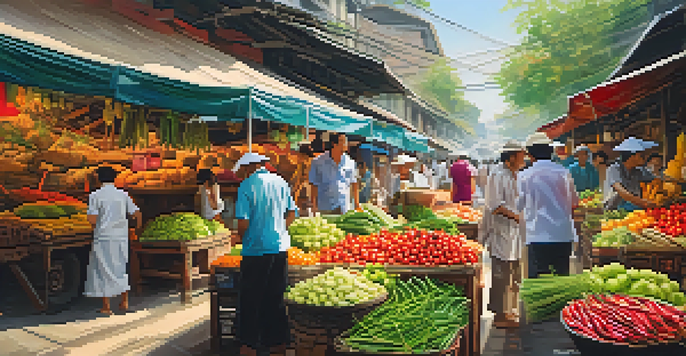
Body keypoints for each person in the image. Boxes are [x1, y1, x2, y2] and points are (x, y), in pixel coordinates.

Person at [233, 152, 297, 356]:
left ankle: (249, 346)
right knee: (275, 298)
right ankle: (277, 346)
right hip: (279, 249)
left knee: (250, 301)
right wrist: (279, 229)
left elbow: (242, 223)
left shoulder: (246, 186)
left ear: (248, 167)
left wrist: (244, 237)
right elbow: (292, 213)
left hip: (255, 251)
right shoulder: (281, 182)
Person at [517, 132, 579, 279]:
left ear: (530, 155)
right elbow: (574, 203)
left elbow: (519, 205)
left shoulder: (524, 176)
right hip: (562, 235)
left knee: (538, 283)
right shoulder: (564, 173)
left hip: (537, 235)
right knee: (560, 280)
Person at [85, 166, 142, 314]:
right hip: (121, 237)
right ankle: (124, 302)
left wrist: (92, 223)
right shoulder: (123, 195)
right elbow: (137, 213)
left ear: (98, 178)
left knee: (104, 270)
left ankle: (106, 307)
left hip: (103, 237)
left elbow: (92, 219)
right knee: (120, 267)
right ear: (114, 178)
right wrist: (136, 230)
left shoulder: (95, 196)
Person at [483, 140, 526, 328]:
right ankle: (500, 314)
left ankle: (510, 309)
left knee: (513, 271)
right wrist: (516, 217)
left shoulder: (514, 174)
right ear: (511, 157)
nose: (523, 159)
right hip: (501, 230)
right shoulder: (497, 174)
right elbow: (494, 205)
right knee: (501, 272)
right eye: (520, 155)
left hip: (514, 232)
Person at [604, 137, 662, 211]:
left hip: (633, 209)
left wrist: (677, 180)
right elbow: (621, 191)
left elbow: (657, 178)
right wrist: (644, 203)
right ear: (633, 156)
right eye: (641, 155)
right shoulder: (614, 169)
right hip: (614, 211)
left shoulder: (638, 171)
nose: (644, 158)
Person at [309, 133, 360, 214]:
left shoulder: (350, 163)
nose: (345, 144)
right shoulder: (318, 162)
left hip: (344, 208)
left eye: (345, 142)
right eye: (342, 141)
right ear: (334, 143)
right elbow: (314, 185)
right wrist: (313, 206)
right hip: (326, 208)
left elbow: (354, 184)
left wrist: (357, 205)